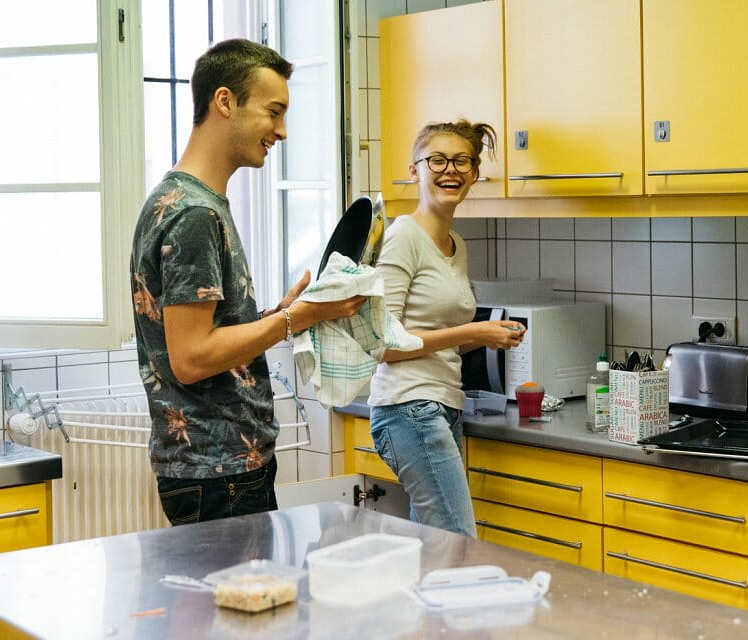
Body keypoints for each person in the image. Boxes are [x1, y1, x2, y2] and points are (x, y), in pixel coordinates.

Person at [130, 38, 365, 525]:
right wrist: (297, 319)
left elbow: (206, 335)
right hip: (220, 473)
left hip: (220, 469)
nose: (281, 131)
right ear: (225, 102)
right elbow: (192, 359)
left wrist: (282, 315)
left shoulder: (182, 199)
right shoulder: (194, 214)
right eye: (273, 111)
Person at [368, 119, 527, 536]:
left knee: (433, 546)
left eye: (461, 162)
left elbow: (435, 343)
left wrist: (491, 337)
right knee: (459, 543)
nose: (450, 170)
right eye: (436, 160)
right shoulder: (403, 236)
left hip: (442, 404)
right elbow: (385, 343)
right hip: (407, 408)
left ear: (474, 174)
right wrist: (476, 333)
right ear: (414, 170)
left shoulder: (457, 245)